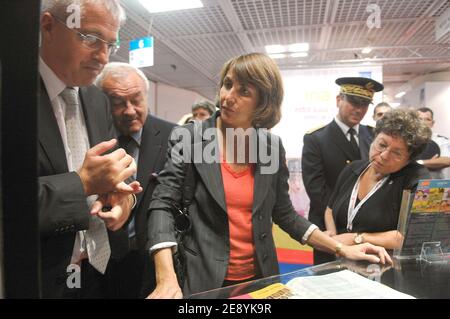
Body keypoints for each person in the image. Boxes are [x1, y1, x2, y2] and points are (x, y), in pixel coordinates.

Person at [146, 53, 391, 299]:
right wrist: (166, 278)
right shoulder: (189, 137)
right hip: (203, 280)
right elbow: (161, 204)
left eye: (244, 92)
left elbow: (284, 213)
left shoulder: (271, 146)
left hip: (261, 279)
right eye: (228, 84)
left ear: (263, 103)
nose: (227, 97)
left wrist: (341, 247)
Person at [39, 0, 141, 298]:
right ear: (48, 27)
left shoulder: (97, 99)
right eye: (90, 38)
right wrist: (81, 184)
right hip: (38, 278)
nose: (103, 56)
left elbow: (110, 180)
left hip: (95, 272)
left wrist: (124, 204)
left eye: (111, 44)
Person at [95, 62, 176, 298]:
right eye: (119, 103)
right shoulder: (94, 134)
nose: (130, 110)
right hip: (102, 259)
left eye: (136, 100)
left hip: (153, 260)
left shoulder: (175, 135)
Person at [324, 109, 431, 255]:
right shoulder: (353, 169)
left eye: (397, 153)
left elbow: (411, 236)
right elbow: (330, 209)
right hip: (343, 260)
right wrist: (334, 238)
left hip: (384, 266)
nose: (384, 155)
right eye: (382, 145)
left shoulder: (417, 179)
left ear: (409, 160)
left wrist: (358, 239)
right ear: (374, 138)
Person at [302, 77, 383, 265]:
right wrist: (338, 219)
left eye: (364, 104)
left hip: (366, 225)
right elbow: (316, 188)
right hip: (329, 225)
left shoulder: (373, 136)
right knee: (328, 279)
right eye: (354, 102)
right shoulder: (316, 138)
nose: (359, 109)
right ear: (339, 100)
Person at [417, 107, 450, 179]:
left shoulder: (441, 140)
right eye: (420, 119)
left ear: (432, 123)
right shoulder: (407, 140)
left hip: (434, 185)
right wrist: (431, 163)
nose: (423, 122)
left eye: (427, 119)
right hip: (409, 182)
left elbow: (447, 160)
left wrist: (419, 162)